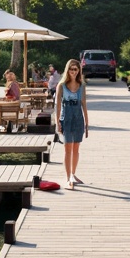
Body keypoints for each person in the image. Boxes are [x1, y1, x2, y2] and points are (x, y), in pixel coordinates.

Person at [54, 58, 88, 189]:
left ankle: (73, 174)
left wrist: (87, 122)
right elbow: (57, 106)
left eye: (76, 69)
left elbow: (84, 104)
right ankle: (68, 177)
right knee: (67, 149)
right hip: (66, 118)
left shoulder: (82, 86)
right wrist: (57, 123)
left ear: (79, 71)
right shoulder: (61, 86)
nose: (73, 71)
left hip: (78, 118)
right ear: (67, 70)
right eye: (71, 69)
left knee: (76, 148)